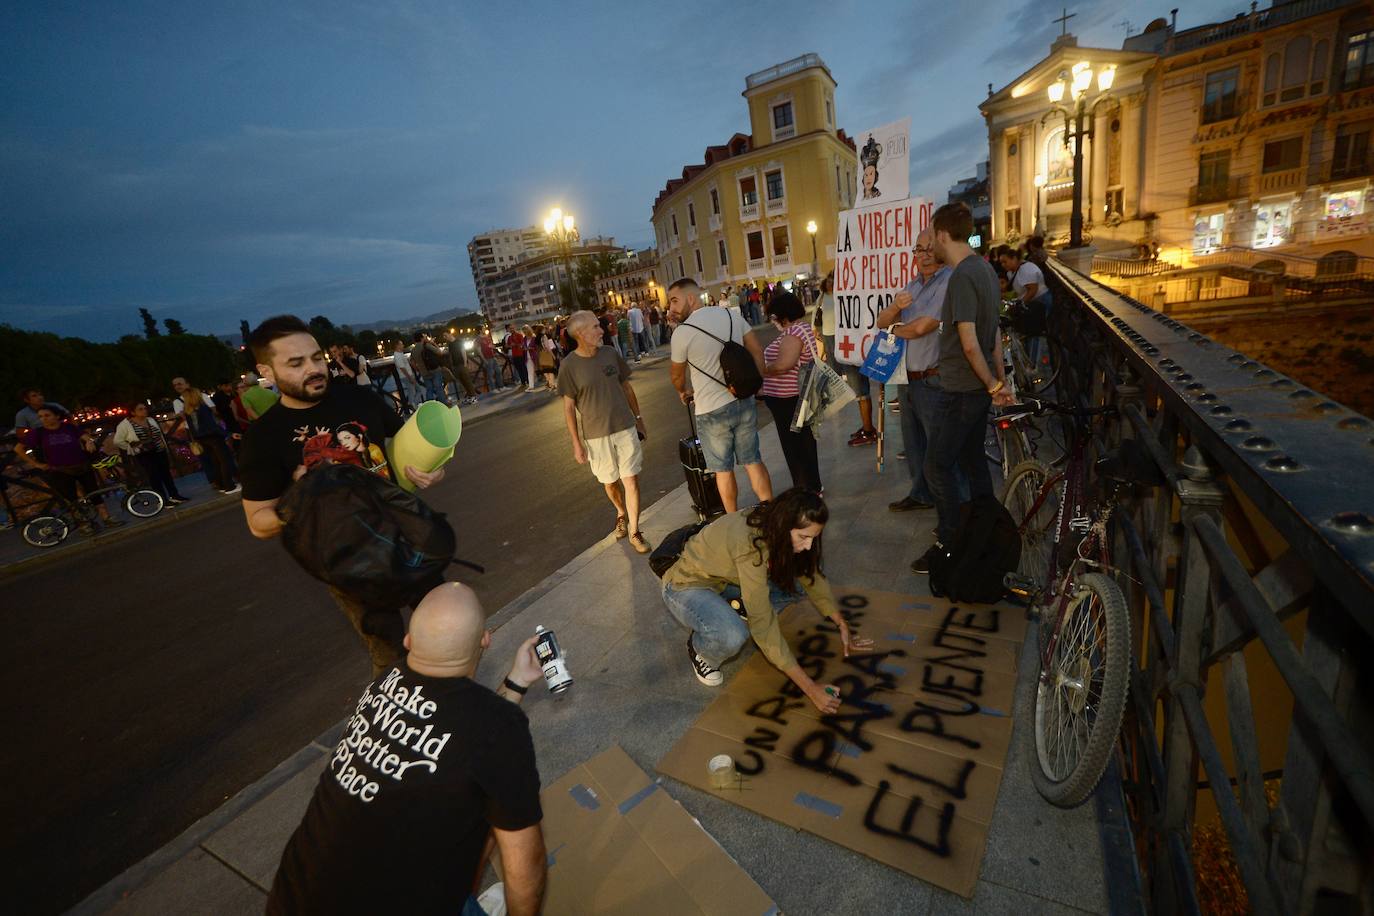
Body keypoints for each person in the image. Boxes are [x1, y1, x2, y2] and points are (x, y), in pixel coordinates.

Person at [267, 582, 547, 916]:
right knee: (494, 813)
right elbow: (526, 863)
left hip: (294, 899)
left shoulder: (384, 683)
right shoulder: (497, 726)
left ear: (409, 641)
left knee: (482, 797)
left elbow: (471, 731)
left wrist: (517, 681)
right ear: (485, 640)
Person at [239, 315, 447, 676]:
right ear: (266, 372)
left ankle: (458, 701)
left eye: (316, 357)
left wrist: (432, 470)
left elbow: (412, 447)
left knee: (448, 629)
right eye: (296, 363)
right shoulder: (262, 437)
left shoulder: (360, 397)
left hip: (405, 536)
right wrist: (302, 498)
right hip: (346, 563)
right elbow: (258, 522)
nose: (313, 369)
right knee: (390, 659)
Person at [661, 488, 872, 699]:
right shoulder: (750, 545)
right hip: (686, 583)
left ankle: (730, 608)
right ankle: (701, 649)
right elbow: (763, 624)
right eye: (803, 537)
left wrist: (841, 623)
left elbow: (811, 577)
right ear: (784, 525)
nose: (808, 546)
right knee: (733, 635)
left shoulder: (774, 525)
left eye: (813, 538)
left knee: (799, 582)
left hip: (725, 579)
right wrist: (810, 688)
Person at [916, 203, 1014, 573]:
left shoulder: (961, 277)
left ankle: (951, 542)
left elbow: (971, 343)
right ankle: (984, 532)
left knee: (936, 466)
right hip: (976, 390)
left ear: (943, 235)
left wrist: (992, 384)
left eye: (932, 238)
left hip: (961, 390)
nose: (930, 247)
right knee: (973, 462)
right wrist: (998, 381)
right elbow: (995, 335)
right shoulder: (986, 270)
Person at [668, 278, 773, 514]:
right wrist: (757, 384)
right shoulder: (730, 315)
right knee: (753, 461)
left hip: (710, 410)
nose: (671, 308)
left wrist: (682, 390)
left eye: (675, 301)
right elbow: (757, 350)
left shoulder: (682, 333)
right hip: (742, 400)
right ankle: (770, 510)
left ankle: (732, 519)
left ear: (691, 298)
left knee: (723, 470)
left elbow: (676, 375)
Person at [877, 228, 959, 512]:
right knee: (914, 446)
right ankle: (921, 494)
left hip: (933, 379)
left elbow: (922, 328)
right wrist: (894, 308)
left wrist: (892, 328)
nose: (923, 256)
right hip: (907, 379)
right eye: (918, 250)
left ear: (940, 250)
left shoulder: (947, 281)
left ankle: (953, 513)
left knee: (940, 451)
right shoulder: (911, 286)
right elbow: (881, 321)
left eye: (929, 249)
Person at [559, 311, 652, 554]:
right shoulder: (568, 366)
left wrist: (639, 419)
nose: (602, 330)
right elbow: (568, 408)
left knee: (630, 479)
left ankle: (634, 531)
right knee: (610, 482)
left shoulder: (610, 353)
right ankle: (621, 512)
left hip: (625, 427)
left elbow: (627, 387)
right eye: (595, 327)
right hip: (596, 436)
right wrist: (576, 443)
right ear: (581, 333)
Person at [17, 407, 125, 532]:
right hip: (59, 470)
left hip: (81, 465)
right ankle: (84, 525)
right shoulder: (39, 432)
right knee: (72, 499)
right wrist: (36, 464)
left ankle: (106, 518)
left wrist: (89, 441)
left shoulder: (68, 427)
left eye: (47, 415)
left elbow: (84, 435)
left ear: (57, 416)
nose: (43, 419)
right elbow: (18, 448)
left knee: (94, 492)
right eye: (40, 416)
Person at [757, 291, 822, 495]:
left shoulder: (793, 333)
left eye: (773, 316)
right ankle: (812, 486)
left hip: (788, 399)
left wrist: (760, 370)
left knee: (794, 446)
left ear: (782, 315)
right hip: (798, 396)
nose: (772, 321)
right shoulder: (802, 328)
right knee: (805, 443)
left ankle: (804, 488)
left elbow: (783, 365)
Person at [113, 403, 188, 505]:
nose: (144, 410)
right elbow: (117, 441)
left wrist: (163, 445)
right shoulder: (125, 424)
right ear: (133, 412)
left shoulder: (150, 420)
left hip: (159, 450)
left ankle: (174, 495)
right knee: (154, 476)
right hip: (144, 453)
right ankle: (162, 500)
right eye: (140, 409)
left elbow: (159, 434)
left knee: (166, 473)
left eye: (145, 408)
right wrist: (132, 448)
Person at [178, 386, 240, 494]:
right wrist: (227, 433)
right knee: (224, 460)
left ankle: (221, 484)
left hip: (201, 439)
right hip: (213, 437)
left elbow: (193, 428)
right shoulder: (202, 408)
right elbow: (211, 425)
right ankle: (229, 485)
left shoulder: (188, 411)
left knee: (215, 461)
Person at [443, 335, 480, 405]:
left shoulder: (458, 341)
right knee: (462, 382)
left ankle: (474, 397)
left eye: (446, 335)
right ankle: (470, 396)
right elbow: (450, 355)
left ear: (449, 334)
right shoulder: (450, 344)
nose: (445, 337)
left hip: (462, 364)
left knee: (467, 381)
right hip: (455, 366)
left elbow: (463, 351)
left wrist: (465, 363)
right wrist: (452, 365)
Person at [412, 332, 447, 403]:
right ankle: (443, 403)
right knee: (439, 388)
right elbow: (439, 352)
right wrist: (433, 343)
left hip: (424, 373)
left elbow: (412, 362)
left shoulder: (413, 350)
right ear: (421, 338)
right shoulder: (426, 345)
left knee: (429, 390)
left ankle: (430, 405)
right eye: (424, 337)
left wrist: (418, 370)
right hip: (434, 369)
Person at [813, 271, 836, 365]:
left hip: (839, 330)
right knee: (830, 353)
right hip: (827, 330)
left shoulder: (838, 294)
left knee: (838, 353)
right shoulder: (822, 295)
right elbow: (815, 311)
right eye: (828, 282)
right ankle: (834, 372)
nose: (829, 284)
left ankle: (841, 371)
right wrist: (813, 328)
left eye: (832, 282)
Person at [390, 339, 422, 407]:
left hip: (408, 375)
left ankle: (413, 404)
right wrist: (410, 377)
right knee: (414, 390)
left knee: (413, 390)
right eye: (401, 344)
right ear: (397, 346)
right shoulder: (397, 356)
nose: (403, 345)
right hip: (406, 376)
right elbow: (402, 368)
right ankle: (413, 405)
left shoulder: (400, 354)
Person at [504, 324, 529, 391]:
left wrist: (515, 344)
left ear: (514, 328)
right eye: (510, 328)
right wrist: (507, 346)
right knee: (518, 369)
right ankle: (523, 382)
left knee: (523, 368)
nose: (511, 329)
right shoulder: (509, 337)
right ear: (509, 329)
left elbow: (522, 344)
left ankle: (527, 381)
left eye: (512, 328)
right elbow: (508, 345)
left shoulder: (519, 335)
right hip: (514, 355)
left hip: (520, 354)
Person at [860, 135, 882, 200]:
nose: (868, 178)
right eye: (866, 175)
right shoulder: (862, 198)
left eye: (871, 174)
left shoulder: (878, 195)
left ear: (875, 176)